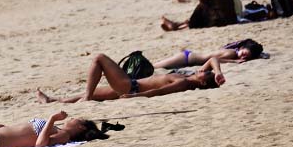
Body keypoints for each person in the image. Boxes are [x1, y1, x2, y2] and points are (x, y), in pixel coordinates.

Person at [36, 54, 225, 103]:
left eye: (202, 73)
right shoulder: (191, 78)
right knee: (92, 94)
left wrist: (134, 98)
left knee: (99, 58)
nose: (200, 71)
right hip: (130, 87)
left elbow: (158, 92)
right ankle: (52, 100)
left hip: (130, 87)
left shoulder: (184, 82)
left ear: (201, 81)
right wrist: (218, 73)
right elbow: (212, 60)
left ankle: (84, 98)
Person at [153, 39, 265, 70]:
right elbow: (214, 59)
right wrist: (234, 61)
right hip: (186, 58)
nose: (243, 57)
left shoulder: (233, 53)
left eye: (247, 57)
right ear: (241, 48)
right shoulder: (231, 53)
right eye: (244, 53)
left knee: (157, 67)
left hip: (188, 59)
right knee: (156, 67)